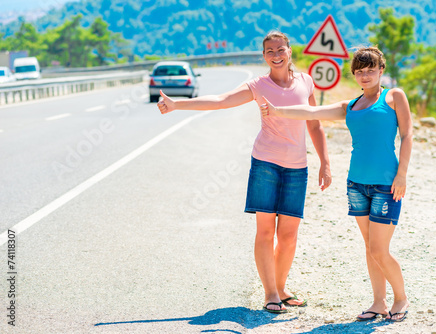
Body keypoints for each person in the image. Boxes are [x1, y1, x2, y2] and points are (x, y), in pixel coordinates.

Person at [157, 31, 332, 313]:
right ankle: (271, 293)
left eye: (280, 50)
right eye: (269, 52)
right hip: (266, 164)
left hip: (298, 167)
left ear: (290, 51)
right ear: (264, 56)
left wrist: (325, 161)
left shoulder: (306, 82)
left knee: (289, 235)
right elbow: (220, 100)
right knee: (265, 231)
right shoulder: (258, 85)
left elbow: (314, 124)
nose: (276, 55)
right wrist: (178, 104)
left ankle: (282, 286)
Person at [259, 46, 412, 322]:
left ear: (381, 71)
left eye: (371, 70)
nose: (365, 76)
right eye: (360, 72)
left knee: (379, 248)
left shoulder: (394, 97)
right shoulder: (350, 107)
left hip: (387, 186)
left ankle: (400, 298)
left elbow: (408, 135)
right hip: (356, 185)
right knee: (369, 248)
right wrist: (277, 111)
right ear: (355, 74)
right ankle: (379, 302)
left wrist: (402, 175)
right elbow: (310, 110)